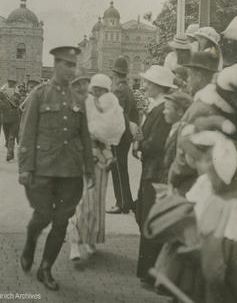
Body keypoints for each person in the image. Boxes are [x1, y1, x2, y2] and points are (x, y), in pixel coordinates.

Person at [18, 46, 94, 291]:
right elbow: (27, 133)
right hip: (42, 169)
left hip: (71, 171)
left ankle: (46, 267)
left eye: (74, 65)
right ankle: (31, 241)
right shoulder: (39, 95)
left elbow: (85, 136)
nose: (72, 70)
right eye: (67, 65)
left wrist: (89, 169)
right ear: (56, 65)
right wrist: (25, 167)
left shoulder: (78, 100)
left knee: (61, 221)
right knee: (43, 216)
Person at [69, 73, 125, 260]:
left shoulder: (111, 106)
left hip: (101, 161)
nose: (98, 93)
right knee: (83, 201)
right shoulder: (85, 105)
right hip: (83, 159)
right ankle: (75, 243)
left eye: (103, 90)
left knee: (97, 202)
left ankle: (91, 238)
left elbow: (113, 131)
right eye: (96, 89)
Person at [135, 65, 176, 289]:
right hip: (151, 170)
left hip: (155, 172)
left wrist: (139, 142)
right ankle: (150, 272)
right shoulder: (158, 108)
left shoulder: (161, 111)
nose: (145, 86)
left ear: (159, 86)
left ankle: (151, 273)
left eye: (149, 83)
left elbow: (156, 144)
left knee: (150, 219)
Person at [168, 51, 222, 196]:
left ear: (199, 76)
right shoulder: (210, 102)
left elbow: (188, 154)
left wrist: (174, 177)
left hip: (189, 186)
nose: (188, 80)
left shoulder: (201, 107)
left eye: (190, 75)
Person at [107, 56, 139, 214]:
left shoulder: (118, 89)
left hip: (118, 134)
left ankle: (122, 203)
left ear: (114, 73)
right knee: (121, 168)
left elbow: (118, 114)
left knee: (118, 169)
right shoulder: (127, 88)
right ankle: (126, 201)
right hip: (125, 135)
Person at [1, 79, 21, 161]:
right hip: (5, 119)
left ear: (14, 84)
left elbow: (17, 103)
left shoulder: (17, 94)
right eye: (9, 83)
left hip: (14, 119)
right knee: (7, 138)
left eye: (12, 83)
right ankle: (11, 152)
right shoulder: (3, 94)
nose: (10, 84)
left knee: (11, 137)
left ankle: (9, 154)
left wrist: (11, 97)